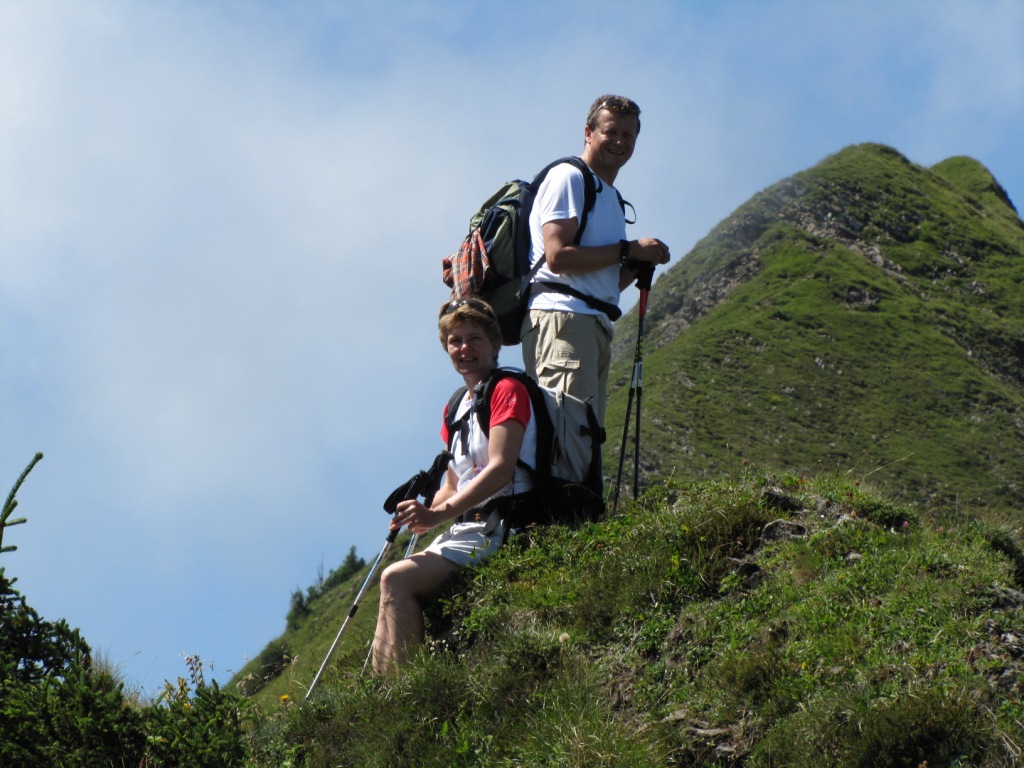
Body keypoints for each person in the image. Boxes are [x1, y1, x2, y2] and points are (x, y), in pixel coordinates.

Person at [371, 298, 537, 675]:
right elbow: (453, 482)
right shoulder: (456, 407)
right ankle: (384, 691)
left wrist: (437, 514)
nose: (464, 348)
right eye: (455, 340)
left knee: (395, 578)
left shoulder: (507, 389)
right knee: (390, 583)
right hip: (472, 526)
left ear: (495, 344)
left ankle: (404, 691)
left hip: (508, 521)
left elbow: (500, 469)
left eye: (474, 338)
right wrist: (422, 514)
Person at [521, 94, 671, 428]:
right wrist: (629, 250)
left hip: (590, 323)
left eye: (628, 135)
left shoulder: (611, 198)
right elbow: (558, 257)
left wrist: (638, 263)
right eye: (610, 132)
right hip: (562, 319)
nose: (619, 141)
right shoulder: (569, 177)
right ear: (588, 133)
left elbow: (604, 284)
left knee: (584, 438)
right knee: (566, 434)